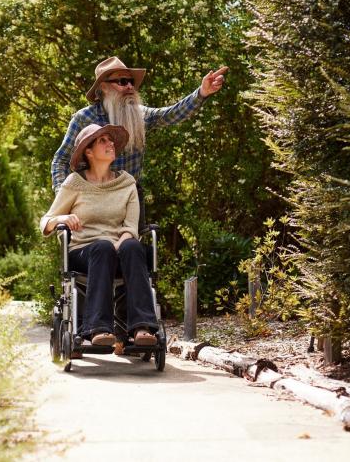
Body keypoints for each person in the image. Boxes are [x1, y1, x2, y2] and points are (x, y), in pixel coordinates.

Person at [50, 56, 228, 224]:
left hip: (129, 197)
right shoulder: (84, 118)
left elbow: (171, 114)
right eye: (122, 82)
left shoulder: (139, 114)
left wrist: (202, 92)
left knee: (132, 250)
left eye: (131, 82)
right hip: (92, 200)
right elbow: (61, 160)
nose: (129, 87)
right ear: (104, 87)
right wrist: (64, 198)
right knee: (100, 250)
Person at [40, 123, 159, 347]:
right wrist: (62, 219)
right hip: (85, 252)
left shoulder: (126, 183)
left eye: (110, 140)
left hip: (120, 251)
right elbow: (45, 222)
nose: (110, 143)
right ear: (88, 151)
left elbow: (131, 228)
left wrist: (117, 246)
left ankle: (142, 327)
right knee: (103, 247)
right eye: (103, 141)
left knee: (133, 246)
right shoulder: (75, 182)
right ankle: (98, 329)